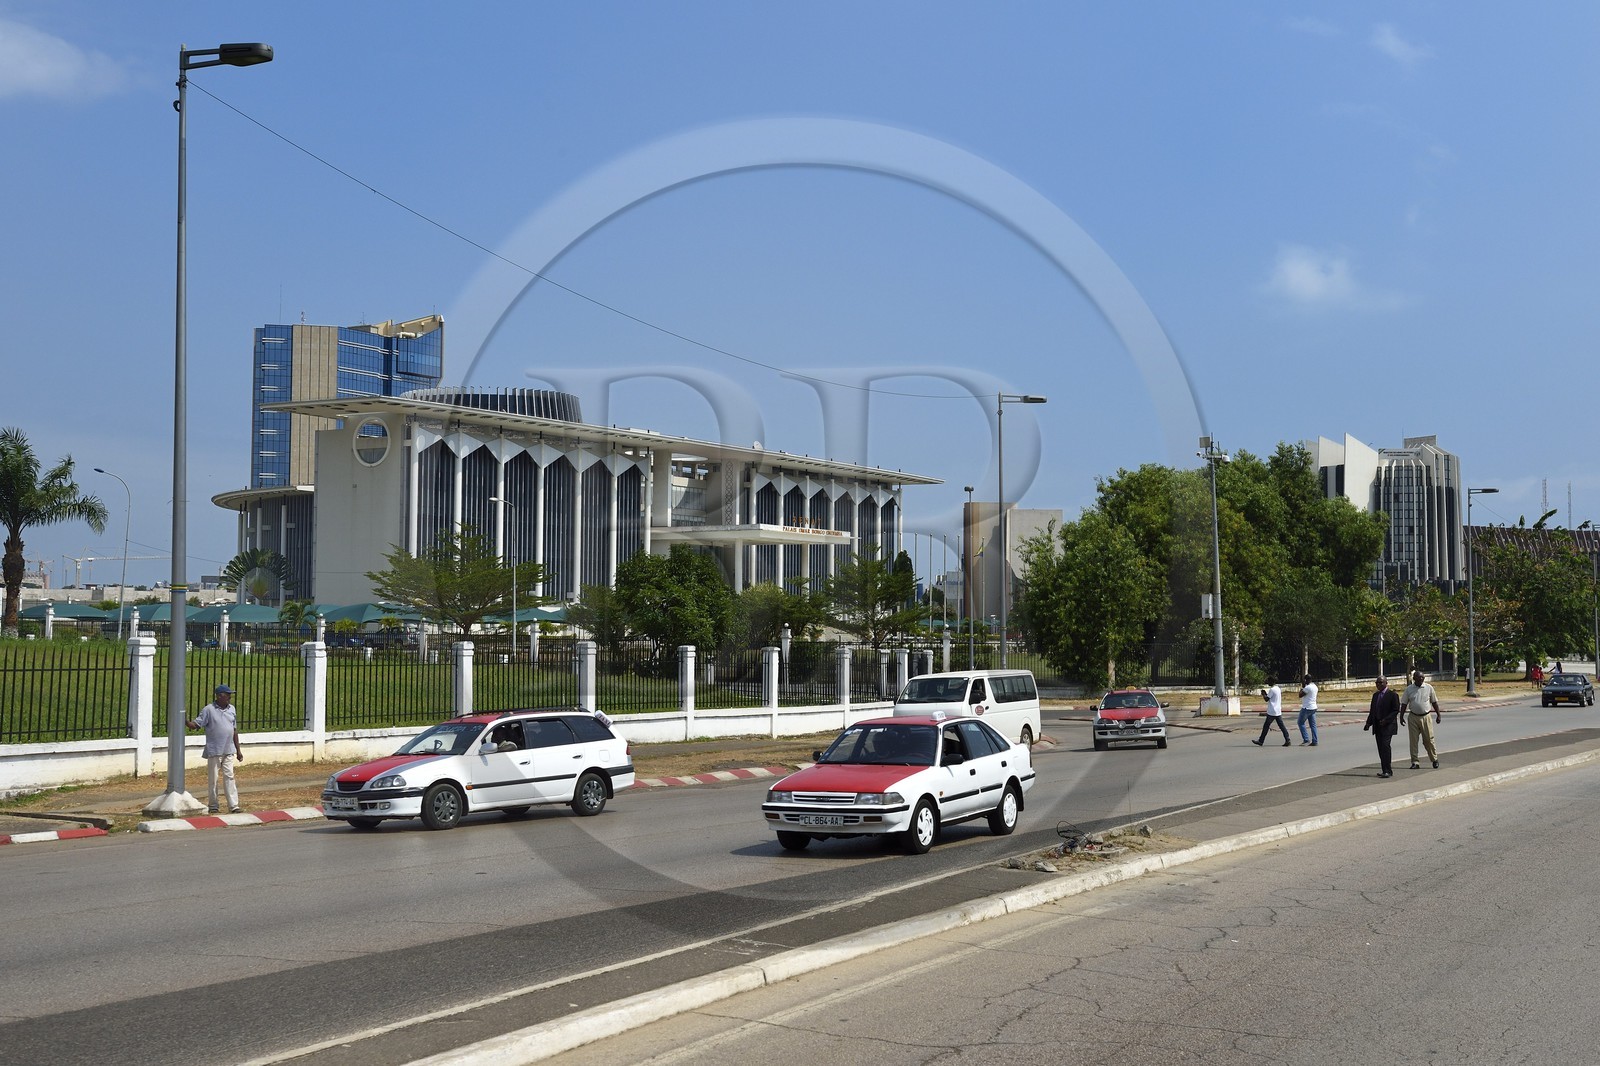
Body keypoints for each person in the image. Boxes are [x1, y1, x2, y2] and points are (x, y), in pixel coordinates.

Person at [188, 684, 244, 813]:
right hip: (215, 750)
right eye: (227, 695)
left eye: (230, 695)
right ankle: (213, 805)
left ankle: (234, 805)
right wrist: (185, 721)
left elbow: (234, 730)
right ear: (219, 696)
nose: (229, 697)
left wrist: (238, 750)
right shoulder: (208, 710)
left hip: (229, 749)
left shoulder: (232, 709)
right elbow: (196, 725)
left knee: (229, 777)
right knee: (213, 779)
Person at [1403, 669, 1443, 769]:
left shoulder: (1428, 688)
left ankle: (1434, 759)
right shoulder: (1409, 689)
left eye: (1422, 677)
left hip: (1426, 717)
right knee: (1413, 741)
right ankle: (1415, 762)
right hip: (1413, 717)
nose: (1421, 679)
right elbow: (1404, 703)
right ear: (1414, 678)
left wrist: (1438, 715)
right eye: (1418, 677)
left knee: (1429, 740)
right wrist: (1401, 716)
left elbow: (1434, 702)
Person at [1364, 675, 1402, 777]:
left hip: (1388, 726)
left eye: (1381, 682)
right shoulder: (1375, 695)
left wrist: (1386, 720)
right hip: (1378, 725)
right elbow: (1373, 711)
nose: (1379, 684)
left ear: (1386, 683)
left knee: (1385, 746)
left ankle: (1388, 770)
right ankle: (1384, 769)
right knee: (1380, 748)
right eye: (1377, 683)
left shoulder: (1392, 695)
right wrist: (1368, 723)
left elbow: (1395, 710)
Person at [1252, 675, 1290, 747]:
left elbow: (1266, 699)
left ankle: (1261, 741)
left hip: (1272, 711)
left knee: (1266, 726)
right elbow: (1270, 697)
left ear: (1272, 681)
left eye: (1269, 681)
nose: (1268, 683)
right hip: (1277, 710)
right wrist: (1266, 694)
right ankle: (1287, 739)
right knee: (1282, 726)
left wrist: (1263, 694)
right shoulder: (1277, 688)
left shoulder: (1272, 689)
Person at [1297, 674, 1319, 746]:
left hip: (1307, 708)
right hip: (1313, 707)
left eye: (1304, 680)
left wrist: (1302, 688)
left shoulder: (1307, 688)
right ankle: (1315, 740)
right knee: (1313, 725)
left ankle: (1306, 739)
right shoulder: (1315, 686)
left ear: (1306, 680)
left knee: (1300, 723)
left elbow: (1300, 695)